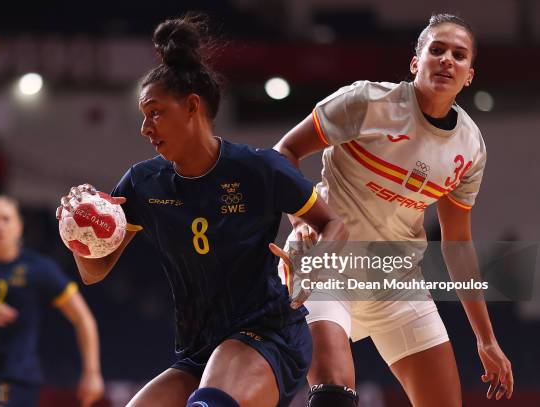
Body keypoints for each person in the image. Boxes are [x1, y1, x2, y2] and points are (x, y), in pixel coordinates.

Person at [56, 14, 347, 407]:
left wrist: (313, 267)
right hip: (201, 348)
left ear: (192, 106)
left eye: (155, 112)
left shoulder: (259, 169)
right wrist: (81, 234)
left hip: (268, 334)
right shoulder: (143, 183)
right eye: (144, 115)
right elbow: (95, 273)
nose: (145, 127)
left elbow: (334, 224)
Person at [273, 13, 513, 407]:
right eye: (436, 50)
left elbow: (457, 245)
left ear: (469, 74)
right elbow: (284, 153)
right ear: (416, 62)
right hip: (326, 264)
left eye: (459, 54)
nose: (447, 60)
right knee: (333, 394)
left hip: (395, 277)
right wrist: (301, 219)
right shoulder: (366, 101)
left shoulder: (470, 147)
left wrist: (486, 339)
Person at [0, 195, 104, 407]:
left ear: (19, 226)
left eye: (6, 219)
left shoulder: (39, 268)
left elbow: (83, 319)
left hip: (18, 377)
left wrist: (92, 372)